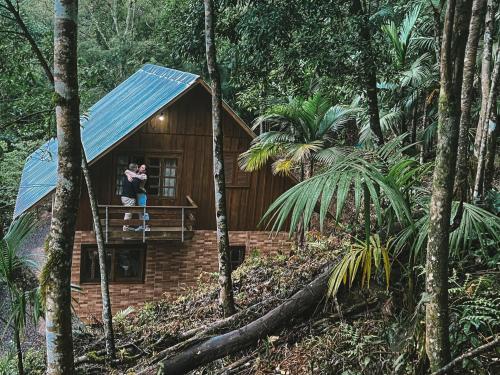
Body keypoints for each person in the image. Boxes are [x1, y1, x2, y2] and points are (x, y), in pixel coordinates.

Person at [125, 164, 150, 231]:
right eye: (141, 167)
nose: (141, 169)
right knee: (139, 211)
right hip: (137, 195)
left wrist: (129, 174)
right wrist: (128, 175)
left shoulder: (144, 176)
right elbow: (126, 171)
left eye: (143, 168)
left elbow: (134, 175)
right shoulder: (135, 173)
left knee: (143, 210)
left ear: (145, 171)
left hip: (142, 194)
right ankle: (142, 226)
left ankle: (147, 226)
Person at [121, 163, 141, 231]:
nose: (138, 169)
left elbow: (125, 171)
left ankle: (126, 228)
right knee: (128, 214)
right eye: (137, 167)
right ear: (135, 169)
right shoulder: (135, 178)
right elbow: (136, 189)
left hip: (124, 196)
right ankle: (125, 230)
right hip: (130, 197)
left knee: (127, 213)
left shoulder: (126, 175)